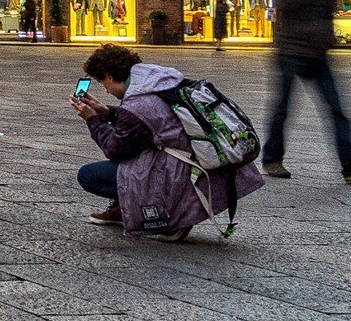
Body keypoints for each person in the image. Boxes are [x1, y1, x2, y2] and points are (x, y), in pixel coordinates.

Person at [72, 42, 264, 238]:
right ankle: (131, 207)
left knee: (88, 175)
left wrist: (92, 120)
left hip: (175, 169)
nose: (105, 90)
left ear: (110, 77)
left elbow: (115, 148)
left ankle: (168, 215)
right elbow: (152, 118)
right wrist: (108, 112)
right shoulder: (157, 78)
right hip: (192, 157)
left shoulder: (136, 102)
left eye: (103, 83)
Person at [263, 0, 351, 184]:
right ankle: (272, 159)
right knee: (282, 110)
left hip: (318, 54)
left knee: (337, 110)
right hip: (290, 52)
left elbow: (326, 8)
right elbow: (287, 3)